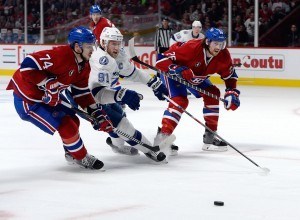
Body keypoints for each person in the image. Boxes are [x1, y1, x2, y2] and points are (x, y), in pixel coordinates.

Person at [6, 26, 113, 170]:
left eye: (92, 45)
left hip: (50, 97)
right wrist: (47, 82)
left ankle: (71, 152)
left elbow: (81, 94)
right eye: (89, 46)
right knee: (66, 124)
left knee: (72, 117)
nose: (92, 50)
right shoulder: (61, 55)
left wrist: (97, 114)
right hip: (28, 99)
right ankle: (81, 157)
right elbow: (27, 65)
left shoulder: (84, 66)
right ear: (77, 46)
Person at [88, 5, 177, 155]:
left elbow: (134, 73)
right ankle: (152, 152)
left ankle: (117, 145)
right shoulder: (101, 60)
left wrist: (154, 84)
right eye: (113, 44)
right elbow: (97, 94)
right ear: (103, 43)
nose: (117, 47)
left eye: (118, 43)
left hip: (102, 92)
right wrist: (121, 95)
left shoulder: (116, 55)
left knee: (118, 116)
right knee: (122, 125)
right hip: (87, 99)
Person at [154, 27, 240, 152]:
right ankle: (163, 137)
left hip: (195, 77)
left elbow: (230, 76)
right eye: (216, 43)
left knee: (213, 93)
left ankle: (210, 136)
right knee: (180, 101)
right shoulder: (191, 48)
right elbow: (160, 60)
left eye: (221, 44)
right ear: (207, 42)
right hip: (173, 76)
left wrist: (231, 93)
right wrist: (176, 68)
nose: (219, 47)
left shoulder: (223, 55)